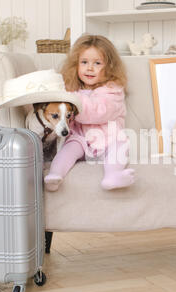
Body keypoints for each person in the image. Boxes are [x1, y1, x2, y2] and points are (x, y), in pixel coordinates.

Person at [44, 34, 135, 192]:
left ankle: (113, 175)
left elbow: (95, 112)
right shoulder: (72, 90)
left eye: (97, 63)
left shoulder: (113, 91)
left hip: (107, 139)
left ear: (109, 67)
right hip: (81, 139)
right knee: (68, 148)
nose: (89, 68)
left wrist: (73, 97)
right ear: (76, 65)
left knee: (121, 144)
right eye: (84, 62)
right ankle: (54, 175)